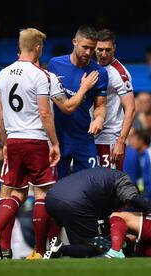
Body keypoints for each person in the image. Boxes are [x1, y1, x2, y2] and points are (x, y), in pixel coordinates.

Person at [0, 28, 99, 260]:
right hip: (36, 140)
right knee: (42, 193)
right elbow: (51, 112)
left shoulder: (1, 75)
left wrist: (5, 142)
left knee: (14, 192)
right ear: (38, 47)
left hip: (13, 139)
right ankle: (39, 251)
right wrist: (55, 142)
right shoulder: (42, 76)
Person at [43, 167, 151, 259]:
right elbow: (132, 198)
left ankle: (55, 248)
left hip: (51, 198)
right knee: (95, 247)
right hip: (76, 202)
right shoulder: (123, 180)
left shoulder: (105, 178)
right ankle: (60, 249)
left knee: (82, 243)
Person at [47, 25, 108, 179]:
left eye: (92, 49)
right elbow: (63, 106)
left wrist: (99, 118)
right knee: (57, 188)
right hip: (58, 138)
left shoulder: (99, 72)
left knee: (90, 185)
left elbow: (100, 105)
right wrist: (84, 88)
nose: (88, 53)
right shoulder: (55, 64)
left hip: (83, 138)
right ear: (74, 41)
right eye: (85, 47)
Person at [94, 29, 135, 170]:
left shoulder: (121, 74)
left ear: (114, 48)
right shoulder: (91, 67)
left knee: (110, 185)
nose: (104, 54)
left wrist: (120, 142)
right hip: (90, 138)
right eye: (100, 49)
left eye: (108, 50)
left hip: (110, 138)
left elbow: (131, 109)